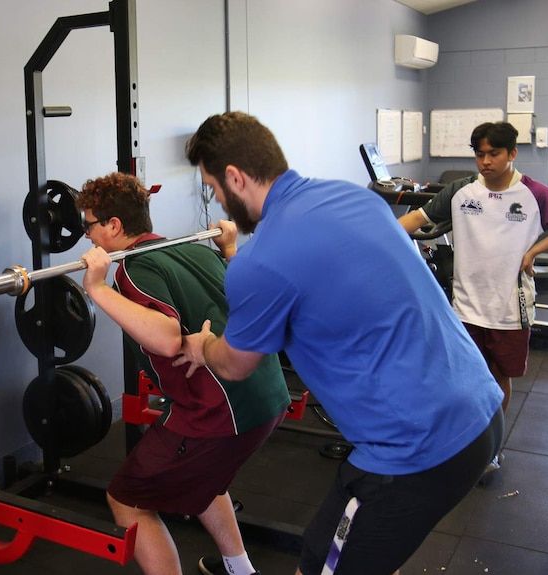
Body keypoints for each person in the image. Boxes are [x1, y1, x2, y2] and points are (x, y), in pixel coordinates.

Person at [175, 111, 504, 575]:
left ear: (235, 177)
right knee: (347, 555)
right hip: (483, 408)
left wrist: (200, 346)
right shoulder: (354, 198)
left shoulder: (261, 261)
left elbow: (234, 364)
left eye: (213, 187)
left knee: (320, 566)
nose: (217, 201)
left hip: (416, 450)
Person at [76, 171, 291, 575]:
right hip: (269, 393)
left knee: (127, 501)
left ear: (114, 226)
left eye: (90, 225)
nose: (87, 235)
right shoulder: (194, 249)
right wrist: (229, 246)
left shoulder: (130, 271)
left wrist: (97, 288)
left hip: (218, 413)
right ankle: (241, 570)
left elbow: (167, 338)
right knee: (204, 476)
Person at [398, 121, 548, 475]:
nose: (485, 161)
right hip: (466, 306)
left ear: (511, 154)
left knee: (498, 378)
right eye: (479, 154)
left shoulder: (534, 194)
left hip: (510, 308)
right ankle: (462, 443)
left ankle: (490, 448)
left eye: (494, 154)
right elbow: (414, 219)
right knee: (465, 380)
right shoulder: (461, 191)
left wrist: (535, 251)